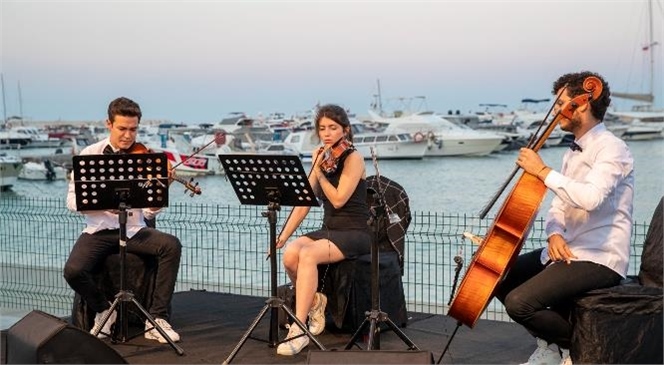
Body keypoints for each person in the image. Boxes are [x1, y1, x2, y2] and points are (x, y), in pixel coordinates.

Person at [495, 71, 634, 365]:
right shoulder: (572, 151)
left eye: (560, 103)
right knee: (497, 277)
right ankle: (550, 346)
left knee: (519, 303)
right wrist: (554, 233)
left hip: (599, 256)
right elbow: (559, 205)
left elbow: (590, 198)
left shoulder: (612, 148)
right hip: (566, 248)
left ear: (582, 104)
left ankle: (580, 349)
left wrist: (542, 172)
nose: (556, 111)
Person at [64, 97, 182, 344]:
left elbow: (149, 212)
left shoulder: (145, 158)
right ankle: (104, 310)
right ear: (109, 123)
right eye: (122, 128)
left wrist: (163, 188)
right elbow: (72, 202)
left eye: (133, 129)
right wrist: (105, 202)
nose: (129, 136)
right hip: (99, 230)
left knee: (171, 245)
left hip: (134, 230)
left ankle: (157, 318)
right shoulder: (89, 154)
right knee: (73, 271)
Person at [274, 104, 372, 356]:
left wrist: (318, 170)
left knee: (308, 255)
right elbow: (305, 201)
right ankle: (316, 301)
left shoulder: (354, 158)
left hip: (356, 232)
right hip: (330, 229)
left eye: (332, 128)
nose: (327, 133)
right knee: (291, 254)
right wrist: (284, 235)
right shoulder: (325, 158)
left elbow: (338, 199)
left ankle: (298, 329)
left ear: (345, 130)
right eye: (322, 128)